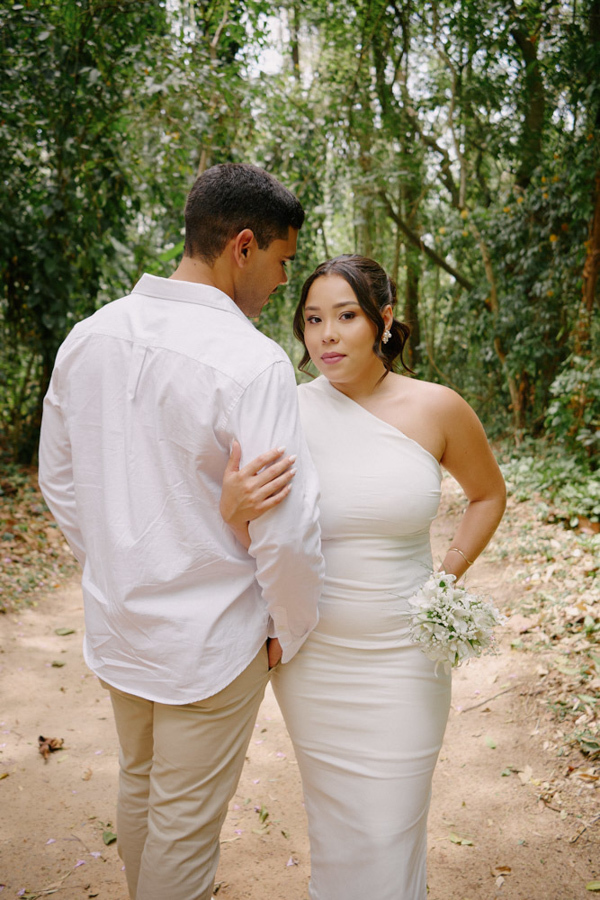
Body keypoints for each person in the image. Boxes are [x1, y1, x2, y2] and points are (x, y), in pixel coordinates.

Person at [38, 163, 324, 900]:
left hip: (118, 622)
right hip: (212, 638)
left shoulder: (88, 337)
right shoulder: (253, 363)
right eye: (282, 263)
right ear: (244, 247)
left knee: (141, 786)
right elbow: (286, 534)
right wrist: (287, 628)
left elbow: (60, 482)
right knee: (185, 828)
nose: (281, 285)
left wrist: (114, 562)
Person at [221, 254, 507, 900]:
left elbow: (488, 495)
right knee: (341, 832)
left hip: (407, 660)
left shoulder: (438, 409)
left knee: (389, 828)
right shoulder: (283, 413)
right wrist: (232, 509)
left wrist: (448, 578)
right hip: (314, 662)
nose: (325, 334)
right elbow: (254, 534)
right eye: (313, 319)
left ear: (382, 321)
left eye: (345, 316)